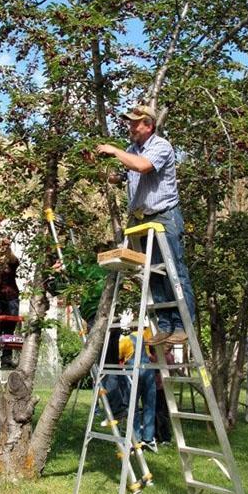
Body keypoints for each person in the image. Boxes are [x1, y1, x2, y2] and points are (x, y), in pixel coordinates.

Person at [96, 104, 195, 345]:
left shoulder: (161, 146)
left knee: (174, 272)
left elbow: (142, 166)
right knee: (152, 275)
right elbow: (125, 175)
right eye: (129, 122)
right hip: (142, 220)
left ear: (149, 125)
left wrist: (114, 150)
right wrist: (98, 169)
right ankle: (164, 325)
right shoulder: (132, 149)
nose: (130, 127)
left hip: (164, 217)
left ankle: (182, 325)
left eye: (134, 123)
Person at [119, 327, 157, 452]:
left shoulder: (125, 340)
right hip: (148, 371)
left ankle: (135, 438)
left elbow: (119, 356)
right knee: (149, 405)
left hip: (133, 372)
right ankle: (148, 438)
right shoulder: (146, 335)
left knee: (132, 406)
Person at [0, 238, 20, 368]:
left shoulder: (12, 261)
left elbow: (14, 260)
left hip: (11, 297)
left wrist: (7, 249)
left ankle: (7, 358)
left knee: (9, 328)